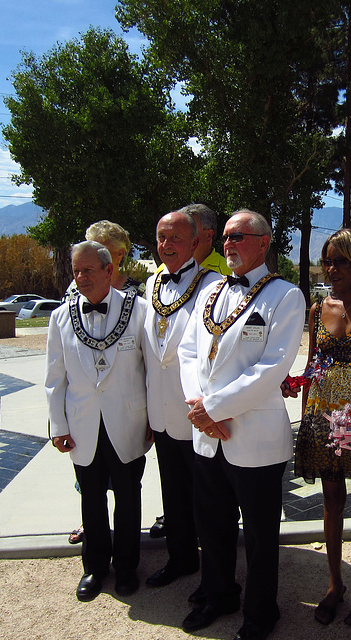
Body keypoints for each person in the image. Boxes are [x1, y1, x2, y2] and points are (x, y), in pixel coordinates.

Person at [178, 209, 305, 640]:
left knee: (259, 535)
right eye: (226, 237)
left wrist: (212, 407)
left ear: (265, 242)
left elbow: (272, 368)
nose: (229, 244)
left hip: (253, 438)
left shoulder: (286, 296)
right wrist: (199, 407)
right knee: (211, 526)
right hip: (207, 434)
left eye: (240, 236)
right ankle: (218, 594)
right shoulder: (211, 291)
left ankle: (260, 613)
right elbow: (188, 353)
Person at [285, 229, 351, 627]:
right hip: (323, 414)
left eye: (339, 261)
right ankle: (334, 583)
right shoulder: (319, 307)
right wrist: (296, 383)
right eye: (327, 261)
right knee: (331, 501)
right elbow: (314, 360)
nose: (331, 268)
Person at [46, 241, 151, 602]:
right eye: (76, 270)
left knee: (128, 496)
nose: (81, 277)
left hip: (128, 421)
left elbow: (150, 370)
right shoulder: (61, 317)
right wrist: (58, 426)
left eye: (88, 270)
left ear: (109, 270)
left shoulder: (139, 311)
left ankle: (126, 567)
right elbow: (54, 378)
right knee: (91, 498)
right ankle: (93, 567)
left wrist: (154, 419)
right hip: (82, 424)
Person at [143, 210, 222, 588]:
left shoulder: (215, 285)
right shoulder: (150, 284)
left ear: (195, 243)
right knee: (172, 494)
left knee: (207, 499)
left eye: (175, 238)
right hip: (160, 410)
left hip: (197, 412)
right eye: (161, 238)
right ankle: (181, 558)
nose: (166, 245)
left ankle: (214, 573)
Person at [63, 220, 145, 546]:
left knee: (126, 488)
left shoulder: (136, 296)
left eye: (100, 250)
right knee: (90, 485)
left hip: (124, 412)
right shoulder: (74, 293)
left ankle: (126, 559)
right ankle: (93, 535)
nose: (90, 258)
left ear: (119, 256)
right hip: (86, 410)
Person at [63, 220, 146, 301]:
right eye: (90, 250)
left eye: (101, 251)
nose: (93, 256)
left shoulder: (139, 293)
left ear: (120, 254)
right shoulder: (75, 289)